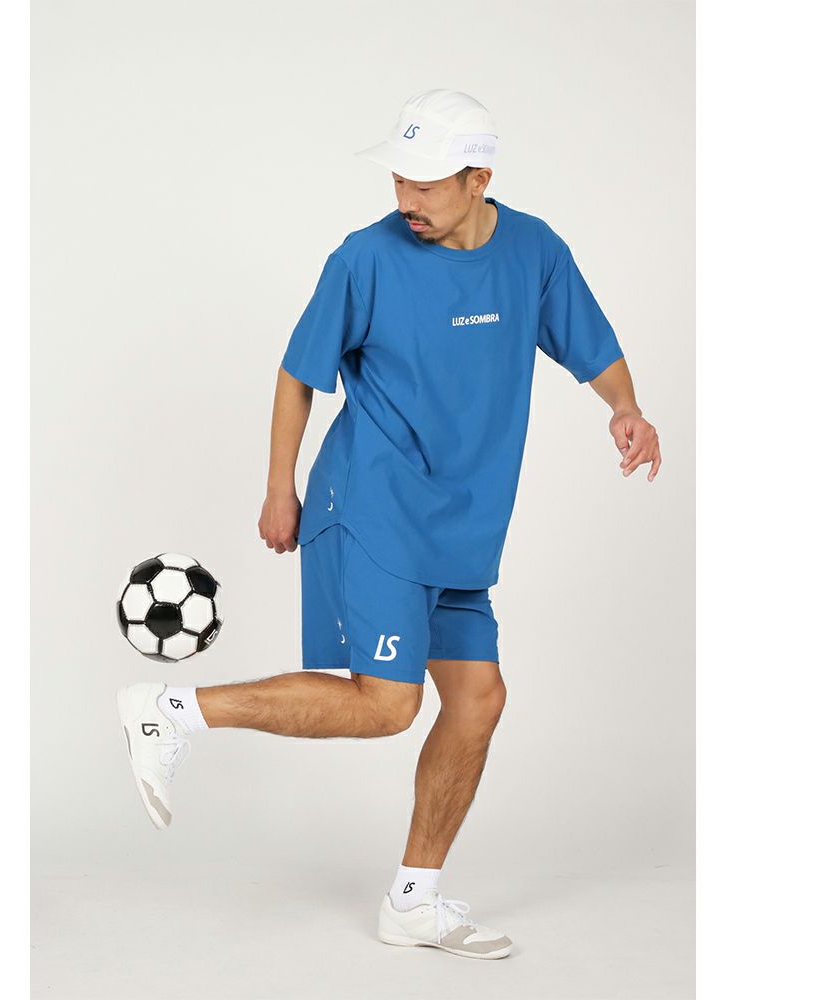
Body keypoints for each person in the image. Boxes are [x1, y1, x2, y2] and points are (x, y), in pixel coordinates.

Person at [117, 89, 661, 961]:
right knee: (389, 704)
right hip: (373, 502)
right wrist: (279, 488)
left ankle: (414, 901)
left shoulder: (535, 252)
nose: (407, 199)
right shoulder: (364, 258)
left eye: (427, 184)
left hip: (464, 524)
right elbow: (298, 373)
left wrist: (625, 408)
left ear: (480, 178)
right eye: (400, 179)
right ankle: (169, 709)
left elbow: (593, 347)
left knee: (478, 700)